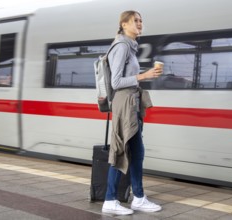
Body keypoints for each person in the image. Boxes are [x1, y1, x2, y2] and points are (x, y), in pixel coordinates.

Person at [101, 10, 163, 215]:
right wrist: (143, 75)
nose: (139, 23)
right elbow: (116, 82)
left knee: (136, 152)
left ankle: (138, 197)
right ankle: (110, 200)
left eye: (141, 20)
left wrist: (144, 76)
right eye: (135, 20)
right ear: (124, 24)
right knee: (121, 150)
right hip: (125, 102)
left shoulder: (129, 47)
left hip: (132, 102)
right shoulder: (121, 46)